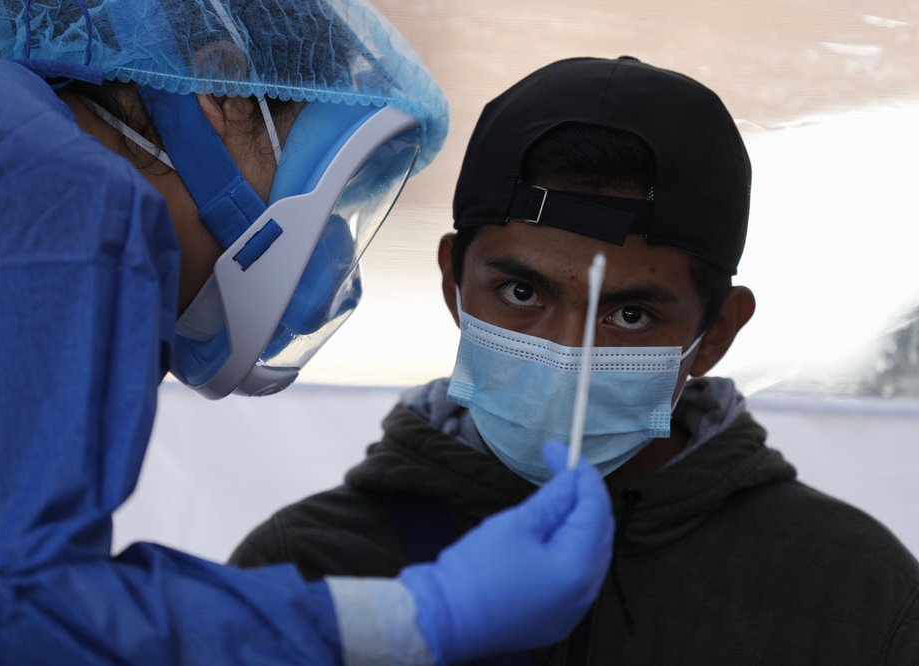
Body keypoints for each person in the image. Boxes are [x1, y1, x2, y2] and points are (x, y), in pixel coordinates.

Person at [0, 3, 616, 664]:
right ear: (219, 87)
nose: (326, 259)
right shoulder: (52, 187)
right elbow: (0, 624)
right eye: (330, 182)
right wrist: (420, 616)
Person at [231, 56, 919, 664]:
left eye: (630, 315)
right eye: (521, 292)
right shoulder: (308, 569)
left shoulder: (851, 593)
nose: (566, 352)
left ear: (715, 333)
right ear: (453, 285)